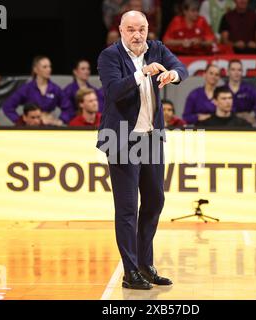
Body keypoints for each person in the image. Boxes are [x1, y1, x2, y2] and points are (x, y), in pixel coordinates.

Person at [96, 10, 188, 290]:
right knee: (127, 209)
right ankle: (130, 271)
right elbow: (113, 92)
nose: (137, 35)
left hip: (150, 137)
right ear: (121, 30)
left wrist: (172, 74)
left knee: (155, 201)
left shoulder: (157, 48)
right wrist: (141, 73)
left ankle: (146, 265)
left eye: (142, 29)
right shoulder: (109, 56)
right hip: (121, 138)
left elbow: (182, 69)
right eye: (131, 29)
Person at [2, 56, 72, 126]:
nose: (49, 69)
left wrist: (61, 120)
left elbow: (68, 107)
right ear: (35, 69)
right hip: (31, 129)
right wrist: (21, 121)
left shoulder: (55, 89)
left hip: (49, 127)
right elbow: (7, 106)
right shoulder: (27, 89)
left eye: (49, 66)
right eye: (45, 67)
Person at [223, 59, 256, 126]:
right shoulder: (222, 90)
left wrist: (252, 114)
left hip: (246, 122)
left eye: (239, 70)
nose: (236, 72)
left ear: (242, 72)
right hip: (226, 122)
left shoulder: (249, 89)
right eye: (233, 70)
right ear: (228, 72)